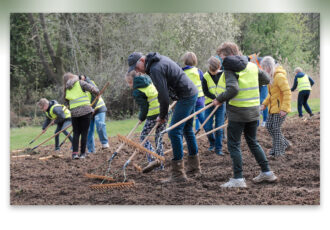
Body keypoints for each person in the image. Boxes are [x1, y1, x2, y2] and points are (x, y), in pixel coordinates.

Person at [127, 52, 199, 183]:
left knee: (174, 132)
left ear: (142, 60)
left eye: (137, 68)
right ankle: (194, 168)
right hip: (190, 92)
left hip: (186, 96)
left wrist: (162, 115)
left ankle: (178, 174)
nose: (138, 71)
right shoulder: (158, 61)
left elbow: (163, 96)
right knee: (187, 130)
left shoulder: (155, 69)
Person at [214, 42, 277, 187]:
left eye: (222, 56)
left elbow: (233, 90)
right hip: (253, 112)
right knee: (252, 141)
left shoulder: (230, 68)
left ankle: (238, 179)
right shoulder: (252, 65)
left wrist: (219, 99)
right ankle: (267, 172)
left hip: (238, 112)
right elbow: (267, 79)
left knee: (234, 145)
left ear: (229, 54)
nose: (221, 59)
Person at [125, 70, 167, 173]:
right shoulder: (149, 81)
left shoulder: (137, 91)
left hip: (153, 115)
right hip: (164, 111)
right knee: (159, 137)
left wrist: (141, 118)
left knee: (144, 137)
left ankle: (153, 159)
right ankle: (160, 165)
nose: (128, 85)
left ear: (132, 81)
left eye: (128, 83)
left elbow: (144, 107)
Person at [260, 56, 292, 157]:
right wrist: (264, 104)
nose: (264, 70)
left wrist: (284, 109)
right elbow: (271, 94)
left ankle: (279, 151)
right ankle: (285, 144)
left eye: (264, 67)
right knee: (269, 126)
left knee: (275, 128)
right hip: (273, 108)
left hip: (281, 109)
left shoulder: (279, 76)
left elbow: (287, 92)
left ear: (269, 66)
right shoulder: (271, 78)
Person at [63, 72, 99, 160]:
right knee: (84, 133)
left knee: (76, 133)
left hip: (74, 113)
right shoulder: (80, 83)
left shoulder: (66, 88)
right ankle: (83, 153)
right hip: (85, 111)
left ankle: (74, 153)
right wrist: (96, 93)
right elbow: (94, 90)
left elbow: (65, 102)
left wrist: (72, 109)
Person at [79, 75, 109, 154]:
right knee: (88, 130)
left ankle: (104, 143)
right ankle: (91, 150)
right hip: (88, 111)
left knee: (100, 124)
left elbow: (97, 94)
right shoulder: (78, 89)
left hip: (99, 107)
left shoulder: (90, 83)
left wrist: (86, 79)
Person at [202, 56, 226, 156]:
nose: (213, 73)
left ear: (219, 67)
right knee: (207, 126)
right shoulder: (205, 76)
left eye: (215, 71)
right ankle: (212, 143)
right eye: (212, 71)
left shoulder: (224, 75)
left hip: (221, 104)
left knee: (219, 127)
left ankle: (218, 148)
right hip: (210, 103)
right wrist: (214, 99)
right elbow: (205, 91)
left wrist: (220, 99)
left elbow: (228, 89)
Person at [182, 52, 205, 132]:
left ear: (184, 61)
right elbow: (203, 82)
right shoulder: (199, 71)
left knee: (188, 119)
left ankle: (189, 134)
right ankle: (211, 137)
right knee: (203, 119)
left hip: (189, 99)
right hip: (200, 98)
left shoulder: (182, 72)